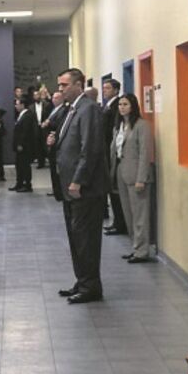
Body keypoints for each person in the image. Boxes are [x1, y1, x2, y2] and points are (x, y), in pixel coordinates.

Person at [50, 68, 109, 304]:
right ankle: (82, 280)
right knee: (76, 238)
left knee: (86, 240)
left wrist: (78, 180)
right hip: (70, 188)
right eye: (59, 85)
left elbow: (91, 149)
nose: (60, 89)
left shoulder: (89, 109)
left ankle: (90, 286)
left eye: (64, 85)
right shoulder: (72, 110)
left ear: (78, 85)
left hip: (85, 189)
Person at [109, 93, 154, 264]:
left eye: (125, 104)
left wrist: (141, 178)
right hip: (121, 172)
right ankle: (135, 247)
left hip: (137, 175)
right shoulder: (119, 126)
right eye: (120, 104)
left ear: (133, 106)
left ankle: (142, 251)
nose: (122, 107)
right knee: (128, 214)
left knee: (139, 215)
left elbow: (144, 153)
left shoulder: (142, 126)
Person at [102, 78, 128, 236]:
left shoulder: (116, 106)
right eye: (104, 88)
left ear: (116, 90)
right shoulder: (107, 106)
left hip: (112, 153)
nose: (105, 90)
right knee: (112, 190)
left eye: (108, 88)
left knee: (116, 192)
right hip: (109, 152)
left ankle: (120, 223)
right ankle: (117, 221)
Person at [42, 91, 67, 200]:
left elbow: (59, 124)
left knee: (56, 168)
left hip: (55, 141)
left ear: (61, 99)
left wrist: (48, 123)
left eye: (56, 98)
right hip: (49, 140)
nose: (53, 100)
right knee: (52, 167)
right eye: (53, 98)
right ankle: (55, 189)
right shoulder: (53, 109)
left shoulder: (63, 110)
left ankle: (59, 190)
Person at [11, 93, 36, 192]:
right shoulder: (21, 115)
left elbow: (25, 132)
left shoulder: (28, 116)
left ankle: (27, 184)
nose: (15, 106)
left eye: (17, 104)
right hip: (20, 145)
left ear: (22, 105)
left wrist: (20, 143)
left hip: (25, 146)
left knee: (25, 165)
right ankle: (19, 183)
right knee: (19, 165)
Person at [32, 88, 52, 168]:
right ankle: (41, 163)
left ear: (40, 96)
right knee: (38, 145)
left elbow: (50, 115)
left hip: (45, 127)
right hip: (36, 128)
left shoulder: (46, 105)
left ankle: (51, 161)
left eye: (38, 95)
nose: (36, 96)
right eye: (35, 95)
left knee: (46, 145)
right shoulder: (31, 107)